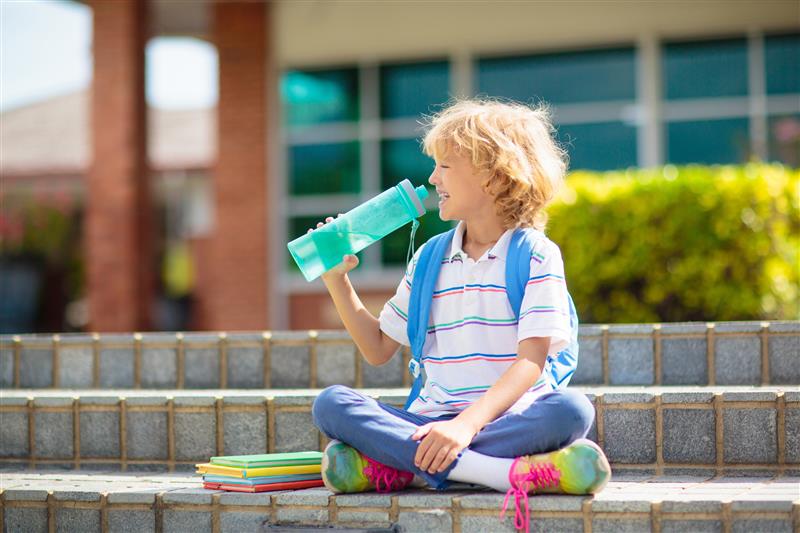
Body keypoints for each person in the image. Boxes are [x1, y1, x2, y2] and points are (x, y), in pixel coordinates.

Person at [310, 98, 611, 532]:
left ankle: (406, 469)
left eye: (445, 166)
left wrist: (466, 426)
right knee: (332, 403)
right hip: (429, 422)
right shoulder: (431, 257)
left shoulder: (535, 254)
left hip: (504, 419)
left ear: (493, 175)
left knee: (571, 410)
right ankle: (501, 473)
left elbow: (531, 362)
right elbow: (377, 348)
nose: (432, 178)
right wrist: (336, 278)